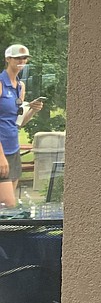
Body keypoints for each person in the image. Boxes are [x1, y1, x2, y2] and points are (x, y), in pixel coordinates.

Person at [1, 44, 44, 208]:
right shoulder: (1, 83)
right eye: (17, 57)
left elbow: (19, 122)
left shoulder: (20, 86)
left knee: (6, 209)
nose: (22, 61)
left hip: (13, 149)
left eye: (24, 58)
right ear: (8, 59)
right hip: (2, 151)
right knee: (8, 202)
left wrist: (32, 110)